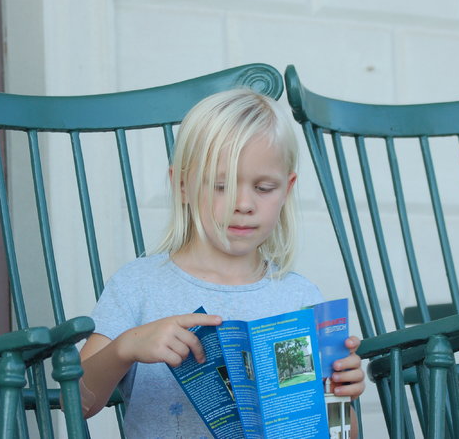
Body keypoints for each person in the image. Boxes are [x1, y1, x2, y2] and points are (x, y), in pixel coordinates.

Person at [79, 89, 365, 437]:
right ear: (182, 186)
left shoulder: (299, 297)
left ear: (287, 189)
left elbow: (339, 434)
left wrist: (337, 396)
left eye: (264, 188)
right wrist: (125, 347)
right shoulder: (138, 285)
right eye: (220, 185)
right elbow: (77, 403)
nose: (243, 204)